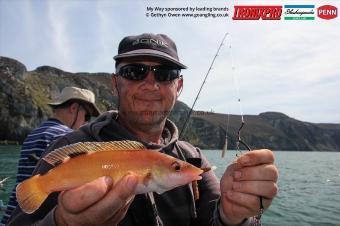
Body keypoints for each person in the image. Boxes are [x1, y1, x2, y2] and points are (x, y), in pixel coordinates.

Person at [7, 33, 278, 226]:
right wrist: (61, 222)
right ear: (115, 84)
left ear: (178, 87)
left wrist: (234, 216)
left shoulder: (193, 158)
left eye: (165, 74)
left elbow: (215, 217)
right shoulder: (69, 147)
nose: (151, 84)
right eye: (135, 72)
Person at [1, 86, 100, 226]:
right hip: (35, 220)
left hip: (13, 216)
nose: (87, 123)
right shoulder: (66, 138)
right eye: (87, 116)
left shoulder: (33, 134)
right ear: (74, 108)